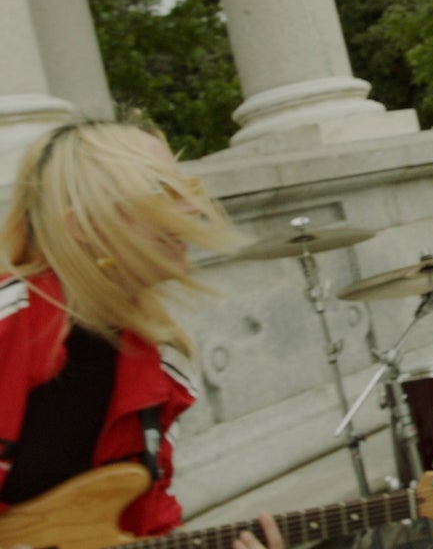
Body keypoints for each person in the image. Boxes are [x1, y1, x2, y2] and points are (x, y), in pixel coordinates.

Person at [0, 118, 283, 549]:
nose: (193, 207)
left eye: (187, 186)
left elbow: (149, 527)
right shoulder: (9, 322)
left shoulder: (163, 366)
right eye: (162, 192)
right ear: (84, 227)